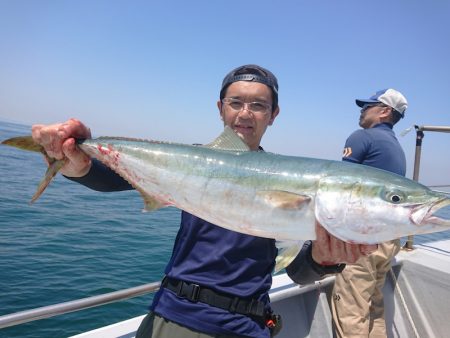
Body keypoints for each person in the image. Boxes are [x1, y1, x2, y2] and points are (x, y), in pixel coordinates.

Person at [31, 64, 375, 338]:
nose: (245, 113)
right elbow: (109, 179)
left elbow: (299, 272)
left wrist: (325, 260)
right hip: (175, 319)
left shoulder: (291, 178)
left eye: (258, 105)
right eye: (236, 102)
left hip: (247, 325)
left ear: (274, 114)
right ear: (220, 109)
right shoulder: (192, 162)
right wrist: (77, 162)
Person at [331, 88, 408, 338]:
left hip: (362, 238)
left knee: (352, 307)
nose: (362, 110)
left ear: (385, 111)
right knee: (374, 304)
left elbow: (342, 187)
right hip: (389, 238)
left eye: (368, 106)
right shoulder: (395, 146)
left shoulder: (363, 137)